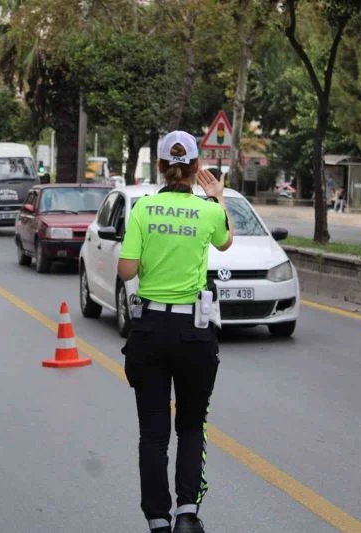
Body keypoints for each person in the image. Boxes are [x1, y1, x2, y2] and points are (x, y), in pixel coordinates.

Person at [118, 131, 234, 533]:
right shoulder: (208, 211)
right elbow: (226, 242)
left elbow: (126, 270)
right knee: (190, 425)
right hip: (194, 331)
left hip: (149, 330)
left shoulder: (144, 210)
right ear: (198, 168)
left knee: (153, 433)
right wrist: (218, 196)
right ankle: (188, 512)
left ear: (162, 167)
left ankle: (157, 521)